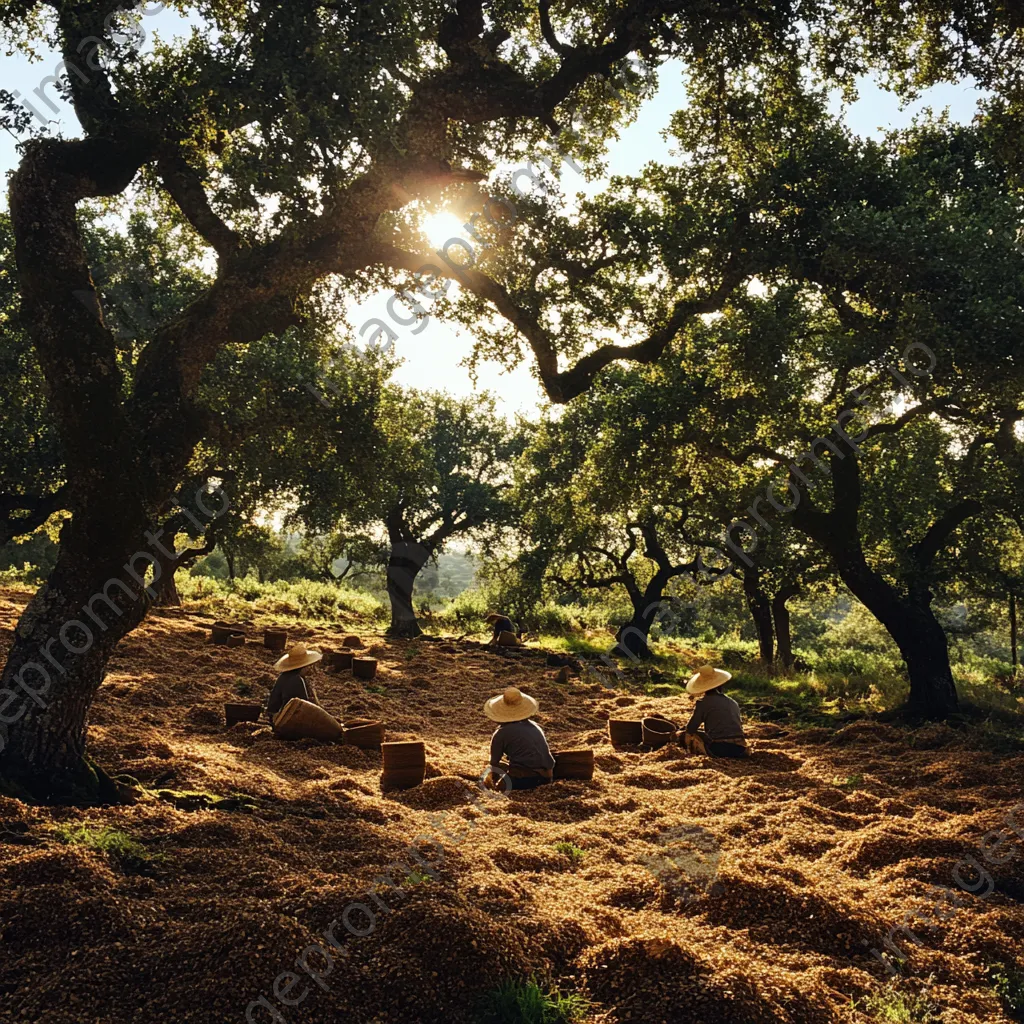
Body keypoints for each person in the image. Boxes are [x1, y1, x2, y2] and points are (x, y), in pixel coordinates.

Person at [483, 686, 555, 790]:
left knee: (500, 786)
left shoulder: (501, 733)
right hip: (547, 776)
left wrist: (493, 780)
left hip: (525, 779)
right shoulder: (535, 726)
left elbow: (494, 763)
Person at [683, 665, 750, 758]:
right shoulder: (732, 702)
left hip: (719, 749)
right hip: (740, 748)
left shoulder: (702, 703)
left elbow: (691, 728)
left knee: (690, 735)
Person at [266, 643, 323, 724]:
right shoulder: (296, 680)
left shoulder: (285, 676)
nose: (310, 668)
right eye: (308, 666)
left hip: (276, 716)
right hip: (283, 720)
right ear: (303, 667)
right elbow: (302, 708)